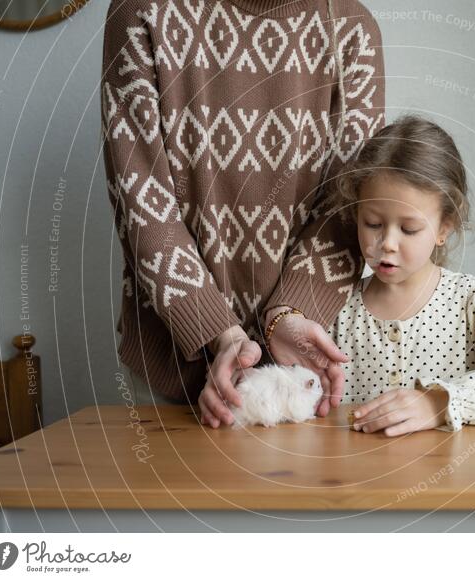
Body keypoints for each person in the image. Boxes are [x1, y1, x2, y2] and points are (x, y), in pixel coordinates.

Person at [100, 0, 385, 425]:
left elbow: (349, 206)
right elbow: (139, 196)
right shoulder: (141, 11)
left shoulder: (353, 27)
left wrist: (288, 313)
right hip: (174, 353)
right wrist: (218, 331)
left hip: (303, 365)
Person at [323, 114, 475, 434]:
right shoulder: (335, 307)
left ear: (444, 227)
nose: (388, 243)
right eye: (373, 224)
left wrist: (441, 403)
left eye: (409, 228)